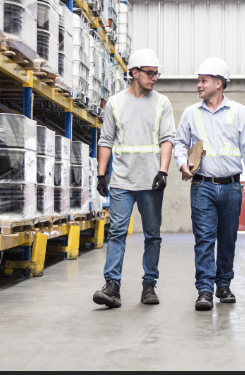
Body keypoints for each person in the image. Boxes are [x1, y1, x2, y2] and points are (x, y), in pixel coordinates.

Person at [172, 57, 245, 311]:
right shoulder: (190, 113)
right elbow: (179, 144)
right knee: (204, 239)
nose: (199, 85)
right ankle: (205, 290)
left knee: (228, 237)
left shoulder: (238, 111)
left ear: (218, 83)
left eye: (203, 80)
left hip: (232, 186)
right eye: (199, 81)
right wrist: (181, 163)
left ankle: (223, 284)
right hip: (202, 186)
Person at [92, 49, 175, 308]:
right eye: (149, 73)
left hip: (151, 182)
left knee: (152, 235)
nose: (154, 78)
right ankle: (112, 286)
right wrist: (102, 175)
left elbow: (167, 139)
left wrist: (163, 171)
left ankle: (149, 285)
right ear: (134, 73)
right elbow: (105, 140)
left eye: (156, 74)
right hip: (122, 181)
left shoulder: (162, 103)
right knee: (116, 233)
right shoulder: (115, 103)